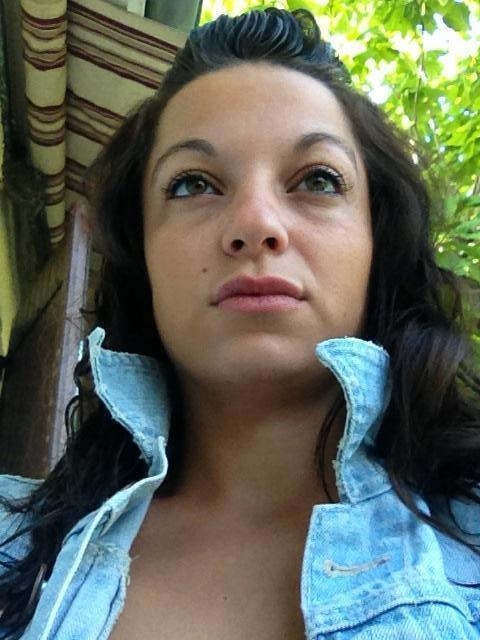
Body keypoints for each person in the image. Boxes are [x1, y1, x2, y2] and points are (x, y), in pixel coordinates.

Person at [0, 7, 479, 639]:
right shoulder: (13, 547)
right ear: (143, 256)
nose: (255, 223)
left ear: (377, 243)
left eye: (317, 179)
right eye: (193, 184)